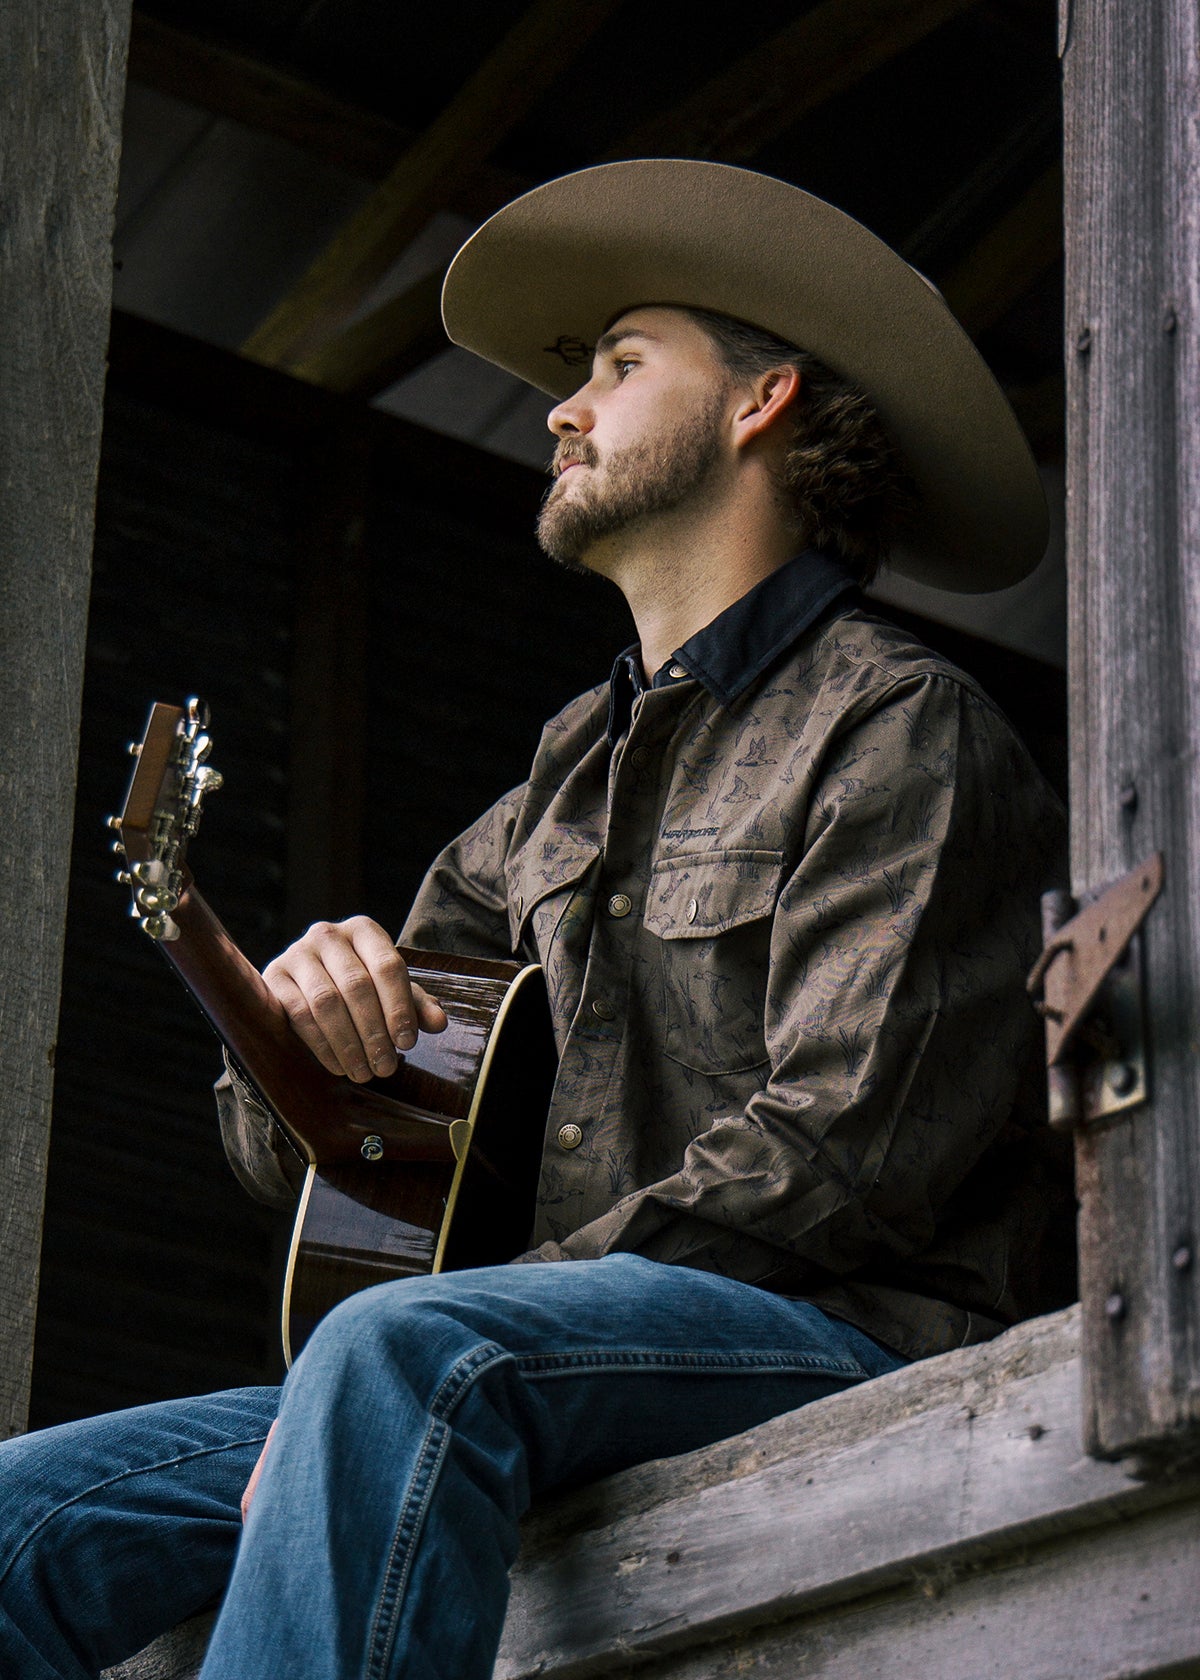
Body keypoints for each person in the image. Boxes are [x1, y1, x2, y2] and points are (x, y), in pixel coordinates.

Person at [0, 160, 1073, 1680]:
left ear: (761, 403)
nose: (563, 410)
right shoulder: (558, 784)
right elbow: (325, 1154)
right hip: (510, 1358)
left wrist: (452, 1335)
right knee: (14, 1518)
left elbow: (846, 1155)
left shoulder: (903, 733)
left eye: (620, 367)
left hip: (839, 1333)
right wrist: (302, 1025)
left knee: (390, 1356)